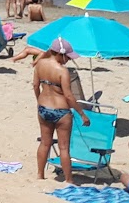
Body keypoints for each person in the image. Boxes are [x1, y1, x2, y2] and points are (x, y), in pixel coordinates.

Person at [34, 38, 89, 183]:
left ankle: (40, 175)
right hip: (61, 111)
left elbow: (35, 85)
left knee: (45, 143)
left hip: (43, 108)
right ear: (59, 54)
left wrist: (39, 100)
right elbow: (69, 96)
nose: (69, 60)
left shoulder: (39, 64)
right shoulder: (62, 71)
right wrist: (82, 114)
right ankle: (68, 180)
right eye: (67, 57)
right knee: (64, 148)